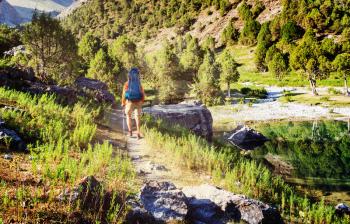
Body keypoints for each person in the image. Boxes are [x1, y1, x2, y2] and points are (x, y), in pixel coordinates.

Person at [121, 68, 145, 139]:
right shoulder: (139, 83)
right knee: (137, 117)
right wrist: (142, 101)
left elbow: (124, 94)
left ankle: (130, 132)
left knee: (128, 116)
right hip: (138, 102)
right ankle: (138, 133)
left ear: (129, 76)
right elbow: (142, 93)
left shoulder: (127, 84)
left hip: (129, 102)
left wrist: (123, 103)